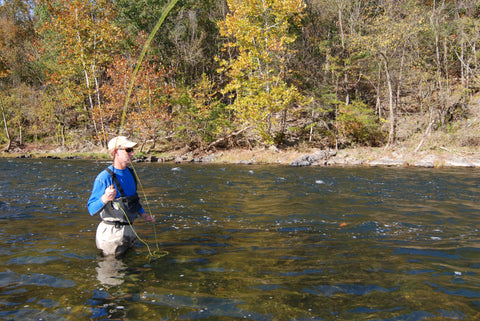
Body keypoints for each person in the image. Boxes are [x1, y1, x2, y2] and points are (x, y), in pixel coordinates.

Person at [88, 136, 155, 258]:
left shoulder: (131, 173)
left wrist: (144, 215)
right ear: (115, 152)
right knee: (112, 273)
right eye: (128, 150)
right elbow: (91, 209)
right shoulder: (104, 177)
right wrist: (105, 198)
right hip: (111, 235)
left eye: (132, 150)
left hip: (130, 231)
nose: (132, 153)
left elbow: (133, 200)